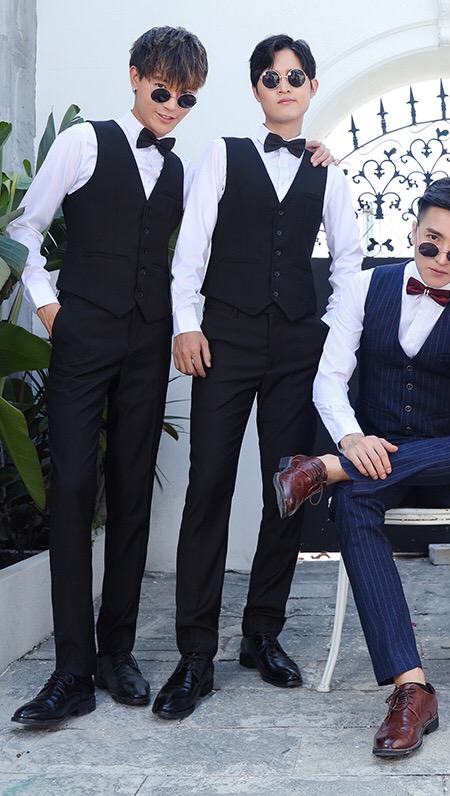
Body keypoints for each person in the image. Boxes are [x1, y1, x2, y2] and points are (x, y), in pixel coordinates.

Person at [152, 34, 361, 720]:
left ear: (311, 86)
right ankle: (194, 654)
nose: (284, 86)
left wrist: (328, 335)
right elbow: (192, 246)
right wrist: (186, 323)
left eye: (295, 76)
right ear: (256, 90)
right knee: (208, 486)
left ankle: (262, 634)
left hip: (297, 343)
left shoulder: (329, 171)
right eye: (272, 78)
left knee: (288, 487)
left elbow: (350, 261)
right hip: (225, 338)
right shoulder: (224, 153)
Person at [273, 176, 450, 757]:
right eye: (432, 241)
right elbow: (329, 379)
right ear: (413, 230)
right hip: (372, 459)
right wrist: (352, 437)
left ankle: (325, 469)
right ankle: (412, 689)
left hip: (441, 468)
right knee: (355, 503)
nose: (440, 257)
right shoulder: (366, 287)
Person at [8, 26, 209, 727]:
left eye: (185, 98)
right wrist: (49, 308)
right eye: (162, 91)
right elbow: (26, 227)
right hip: (83, 334)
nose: (172, 106)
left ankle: (114, 652)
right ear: (134, 77)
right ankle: (71, 669)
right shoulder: (84, 143)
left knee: (130, 490)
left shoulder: (184, 171)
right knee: (70, 487)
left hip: (148, 343)